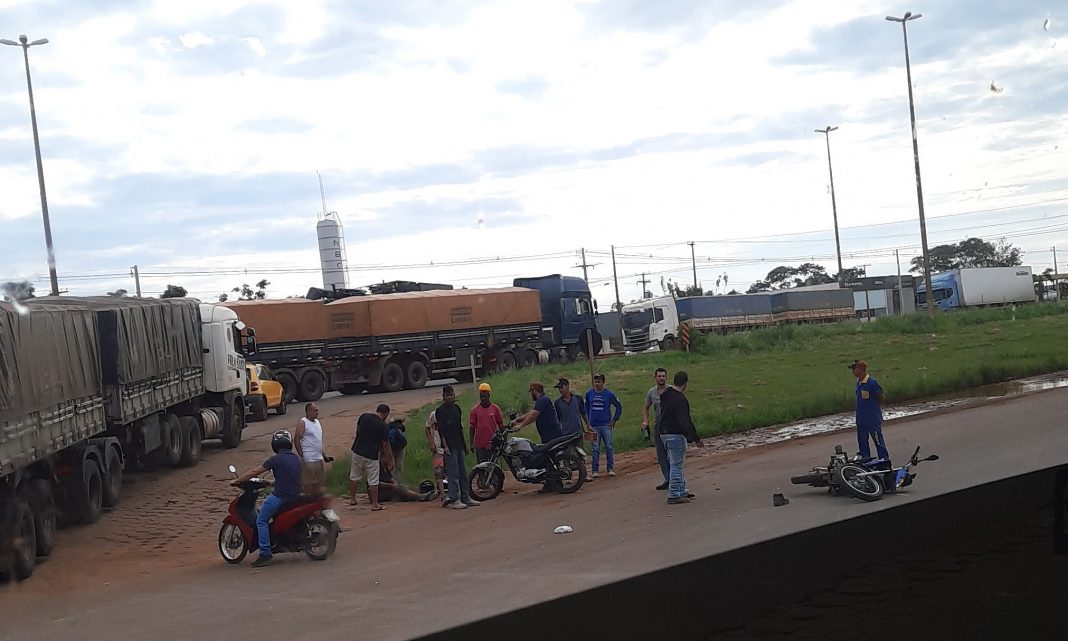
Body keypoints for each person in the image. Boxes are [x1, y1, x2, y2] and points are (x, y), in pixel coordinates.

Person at [232, 430, 303, 567]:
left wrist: (237, 481)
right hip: (296, 496)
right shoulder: (295, 458)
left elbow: (254, 472)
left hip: (281, 497)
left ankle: (265, 553)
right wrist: (271, 483)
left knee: (261, 520)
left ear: (275, 445)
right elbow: (290, 477)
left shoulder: (275, 459)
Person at [511, 382, 565, 494]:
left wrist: (520, 426)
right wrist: (518, 420)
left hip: (552, 434)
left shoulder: (543, 400)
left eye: (531, 392)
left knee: (549, 457)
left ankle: (554, 483)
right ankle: (551, 483)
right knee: (548, 458)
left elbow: (534, 415)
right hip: (548, 434)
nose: (531, 394)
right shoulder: (541, 401)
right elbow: (531, 413)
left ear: (534, 391)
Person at [659, 371, 702, 504]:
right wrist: (694, 438)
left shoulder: (666, 393)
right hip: (675, 434)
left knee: (676, 462)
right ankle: (673, 494)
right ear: (685, 383)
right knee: (677, 465)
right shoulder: (680, 399)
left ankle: (682, 490)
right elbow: (685, 421)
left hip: (663, 433)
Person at [437, 385, 480, 509]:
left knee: (463, 472)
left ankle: (465, 497)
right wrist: (445, 446)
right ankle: (453, 498)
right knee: (453, 473)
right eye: (447, 395)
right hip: (449, 446)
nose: (449, 397)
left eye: (451, 395)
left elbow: (459, 428)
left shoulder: (457, 408)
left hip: (459, 444)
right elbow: (441, 431)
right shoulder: (440, 411)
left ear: (454, 395)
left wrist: (464, 445)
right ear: (443, 396)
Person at [349, 404, 395, 511]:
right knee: (373, 480)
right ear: (386, 414)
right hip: (372, 455)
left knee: (354, 476)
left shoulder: (364, 417)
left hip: (357, 450)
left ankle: (352, 499)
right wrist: (390, 460)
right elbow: (385, 445)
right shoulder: (383, 426)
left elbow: (357, 431)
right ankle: (375, 504)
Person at [585, 373, 622, 479]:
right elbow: (585, 408)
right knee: (595, 448)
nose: (597, 384)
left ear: (603, 383)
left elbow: (619, 406)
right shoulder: (589, 393)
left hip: (606, 425)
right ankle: (595, 470)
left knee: (609, 446)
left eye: (599, 382)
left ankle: (610, 468)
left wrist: (614, 420)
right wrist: (588, 422)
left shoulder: (609, 394)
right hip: (593, 426)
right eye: (596, 382)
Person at [850, 359, 889, 460]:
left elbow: (880, 396)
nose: (853, 371)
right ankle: (865, 459)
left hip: (872, 417)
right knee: (862, 440)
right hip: (861, 418)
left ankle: (884, 459)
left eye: (854, 369)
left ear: (861, 369)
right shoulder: (858, 382)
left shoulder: (872, 382)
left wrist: (873, 407)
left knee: (877, 439)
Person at [642, 368, 670, 491]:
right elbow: (646, 407)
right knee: (661, 453)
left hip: (670, 425)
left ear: (666, 377)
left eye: (663, 376)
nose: (661, 378)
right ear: (655, 377)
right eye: (659, 376)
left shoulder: (671, 390)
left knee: (672, 453)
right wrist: (645, 421)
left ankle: (675, 478)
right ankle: (668, 478)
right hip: (658, 426)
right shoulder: (652, 392)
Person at [294, 403, 327, 495]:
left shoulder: (317, 422)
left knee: (319, 483)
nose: (317, 412)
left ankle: (317, 499)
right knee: (309, 484)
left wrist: (324, 455)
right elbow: (296, 439)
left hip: (318, 458)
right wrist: (302, 456)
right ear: (308, 411)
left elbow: (318, 441)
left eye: (317, 410)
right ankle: (309, 499)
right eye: (315, 411)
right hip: (309, 459)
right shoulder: (303, 422)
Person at [469, 383, 504, 463]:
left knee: (494, 466)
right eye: (481, 396)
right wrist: (472, 443)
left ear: (489, 395)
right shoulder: (474, 410)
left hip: (493, 444)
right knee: (481, 466)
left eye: (484, 396)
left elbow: (501, 425)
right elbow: (472, 427)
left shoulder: (495, 409)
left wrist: (503, 441)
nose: (483, 399)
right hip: (480, 445)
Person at [424, 409, 445, 500]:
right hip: (437, 448)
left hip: (449, 448)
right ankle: (443, 495)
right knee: (438, 472)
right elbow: (427, 428)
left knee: (448, 472)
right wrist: (431, 442)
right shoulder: (434, 414)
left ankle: (446, 492)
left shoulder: (452, 412)